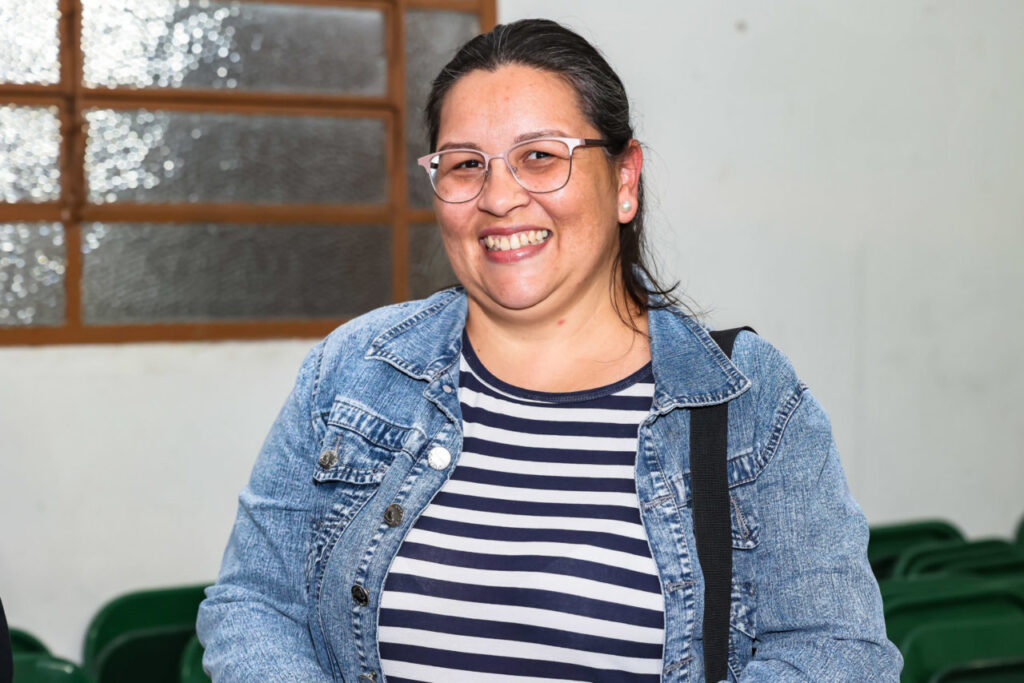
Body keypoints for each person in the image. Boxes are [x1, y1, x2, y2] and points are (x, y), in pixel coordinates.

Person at [197, 18, 902, 682]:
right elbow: (254, 603)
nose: (499, 197)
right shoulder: (356, 369)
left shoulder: (744, 396)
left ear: (624, 180)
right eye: (465, 164)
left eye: (540, 156)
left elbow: (838, 651)